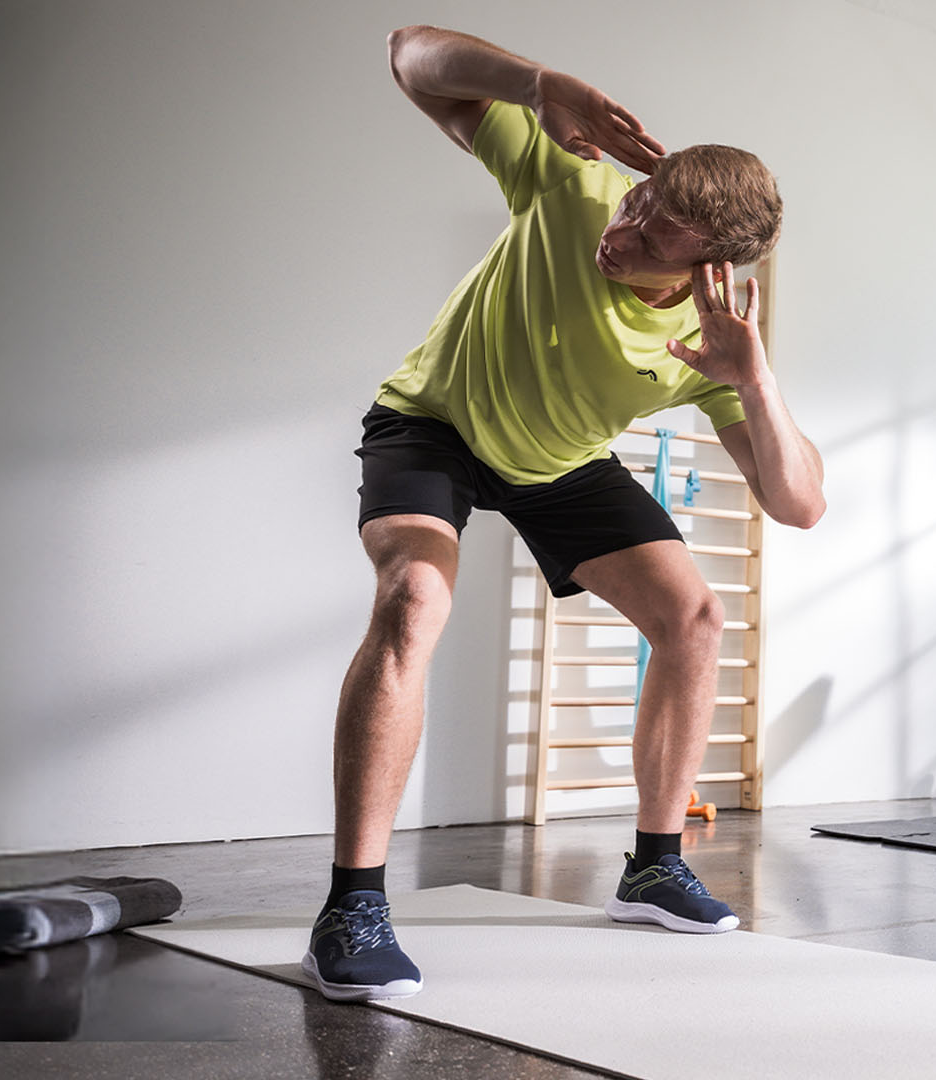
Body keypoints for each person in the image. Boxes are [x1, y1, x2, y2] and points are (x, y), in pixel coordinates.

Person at [301, 24, 826, 1003]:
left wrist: (754, 381)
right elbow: (411, 56)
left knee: (694, 616)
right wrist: (533, 81)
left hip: (560, 463)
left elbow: (798, 504)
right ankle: (353, 905)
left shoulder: (699, 345)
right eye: (643, 197)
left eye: (658, 233)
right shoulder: (574, 185)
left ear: (708, 266)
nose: (624, 226)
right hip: (433, 424)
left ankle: (655, 865)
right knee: (414, 596)